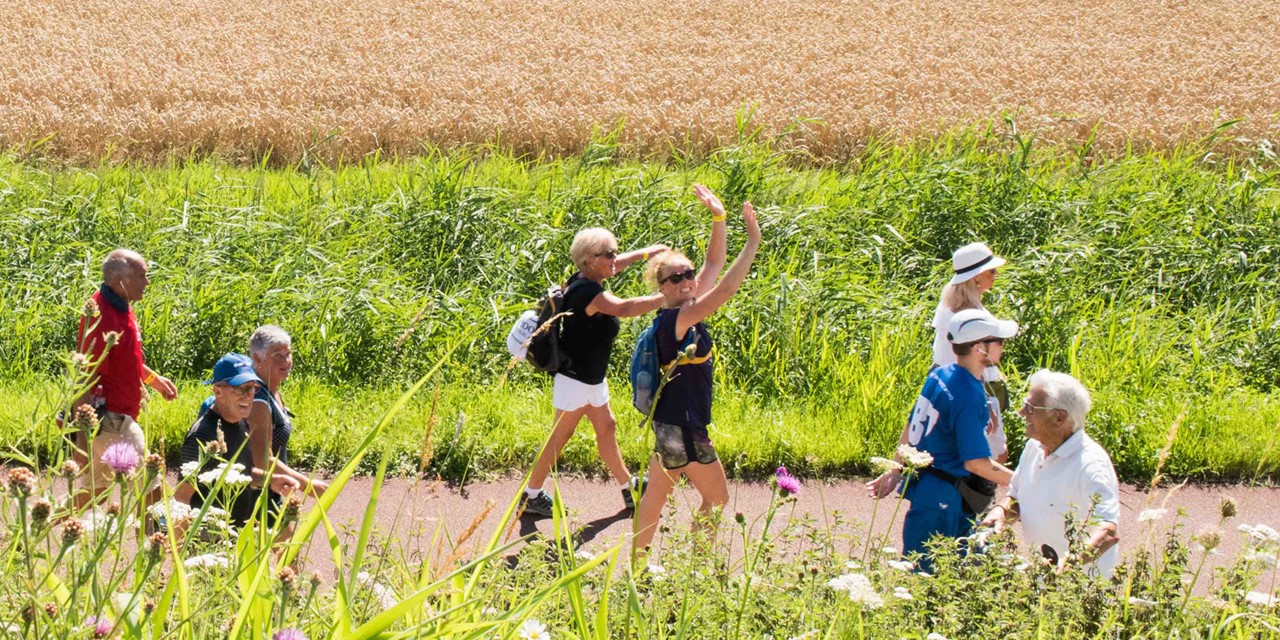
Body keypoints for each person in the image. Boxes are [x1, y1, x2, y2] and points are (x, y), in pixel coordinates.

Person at [631, 184, 761, 559]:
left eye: (688, 273)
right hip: (685, 427)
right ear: (662, 287)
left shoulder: (680, 307)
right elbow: (725, 290)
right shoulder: (677, 317)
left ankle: (639, 567)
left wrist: (718, 218)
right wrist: (751, 243)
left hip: (668, 423)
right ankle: (695, 569)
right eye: (676, 277)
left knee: (655, 497)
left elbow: (715, 265)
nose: (688, 280)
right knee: (717, 497)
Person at [520, 230, 671, 516]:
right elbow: (625, 308)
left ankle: (629, 487)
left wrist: (648, 252)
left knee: (607, 428)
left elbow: (619, 263)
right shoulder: (588, 293)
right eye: (609, 254)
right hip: (574, 380)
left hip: (591, 377)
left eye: (615, 251)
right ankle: (531, 495)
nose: (615, 259)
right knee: (558, 438)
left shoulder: (585, 277)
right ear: (589, 261)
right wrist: (666, 297)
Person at [866, 309, 1017, 564]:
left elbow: (911, 425)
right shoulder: (968, 394)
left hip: (927, 491)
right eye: (999, 341)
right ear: (980, 348)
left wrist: (895, 468)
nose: (1003, 347)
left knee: (937, 572)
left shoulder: (940, 374)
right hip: (944, 500)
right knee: (929, 578)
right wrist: (1024, 481)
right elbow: (976, 463)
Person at [980, 370, 1121, 578]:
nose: (1021, 412)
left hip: (1084, 584)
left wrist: (1073, 562)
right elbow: (1016, 496)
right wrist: (1000, 513)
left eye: (1030, 408)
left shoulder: (1091, 464)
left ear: (1059, 417)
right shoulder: (1033, 448)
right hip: (1042, 575)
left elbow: (1108, 530)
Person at [71, 249, 178, 507]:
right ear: (119, 281)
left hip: (117, 417)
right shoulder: (99, 316)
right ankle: (152, 544)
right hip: (111, 420)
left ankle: (35, 529)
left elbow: (125, 357)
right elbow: (85, 375)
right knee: (150, 487)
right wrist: (82, 440)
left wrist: (153, 379)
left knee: (93, 494)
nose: (147, 282)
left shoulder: (121, 305)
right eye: (141, 276)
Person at [198, 327, 328, 499]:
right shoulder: (258, 402)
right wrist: (309, 486)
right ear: (257, 359)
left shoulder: (271, 392)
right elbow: (263, 460)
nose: (286, 361)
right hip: (256, 497)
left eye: (288, 353)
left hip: (274, 490)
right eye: (277, 355)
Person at [176, 354, 298, 527]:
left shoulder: (240, 423)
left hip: (235, 538)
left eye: (253, 388)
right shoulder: (203, 436)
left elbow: (241, 472)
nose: (249, 396)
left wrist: (272, 480)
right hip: (209, 539)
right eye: (241, 388)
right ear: (218, 390)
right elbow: (182, 497)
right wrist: (179, 550)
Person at [931, 242, 1010, 463]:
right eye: (991, 271)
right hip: (972, 388)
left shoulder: (954, 305)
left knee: (981, 453)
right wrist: (983, 401)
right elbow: (958, 362)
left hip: (966, 387)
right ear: (975, 277)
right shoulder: (965, 313)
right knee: (990, 455)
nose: (996, 274)